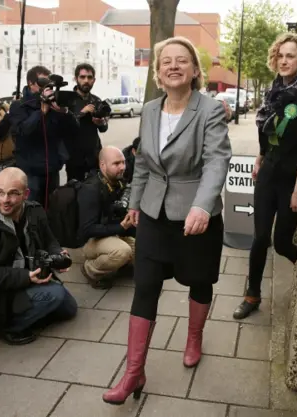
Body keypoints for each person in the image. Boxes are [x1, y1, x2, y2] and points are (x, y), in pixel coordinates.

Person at [102, 36, 231, 405]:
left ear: (194, 71)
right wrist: (136, 202)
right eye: (166, 62)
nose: (173, 66)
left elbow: (216, 161)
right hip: (155, 216)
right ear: (158, 73)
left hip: (196, 217)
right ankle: (133, 373)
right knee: (145, 287)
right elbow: (143, 162)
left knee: (199, 280)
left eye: (181, 60)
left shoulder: (209, 111)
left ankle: (193, 337)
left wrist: (204, 206)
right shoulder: (150, 110)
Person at [233, 33, 297, 320]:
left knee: (282, 242)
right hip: (268, 174)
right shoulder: (272, 93)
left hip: (291, 179)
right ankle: (252, 294)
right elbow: (266, 134)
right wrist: (260, 157)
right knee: (259, 238)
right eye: (280, 55)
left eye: (290, 55)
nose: (284, 60)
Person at [0, 167, 78, 345]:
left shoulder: (34, 211)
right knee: (55, 294)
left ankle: (26, 310)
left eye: (13, 194)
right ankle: (6, 327)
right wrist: (25, 277)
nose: (5, 200)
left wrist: (58, 255)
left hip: (27, 277)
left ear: (26, 194)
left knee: (69, 310)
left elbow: (50, 241)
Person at [9, 65, 77, 208]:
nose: (48, 87)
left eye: (49, 83)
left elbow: (73, 130)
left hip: (52, 169)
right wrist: (41, 112)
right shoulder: (18, 106)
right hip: (30, 172)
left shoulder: (54, 104)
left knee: (52, 209)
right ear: (31, 83)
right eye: (42, 82)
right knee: (30, 211)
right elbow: (23, 131)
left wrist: (64, 112)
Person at [77, 146, 136, 289]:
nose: (122, 167)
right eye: (116, 164)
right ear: (102, 165)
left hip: (111, 232)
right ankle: (90, 269)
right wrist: (121, 227)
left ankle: (119, 265)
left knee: (143, 250)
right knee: (123, 252)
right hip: (90, 240)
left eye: (123, 162)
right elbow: (87, 230)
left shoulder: (117, 181)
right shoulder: (91, 189)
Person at [66, 63, 108, 182]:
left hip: (94, 156)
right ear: (76, 79)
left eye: (89, 78)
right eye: (82, 77)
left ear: (94, 80)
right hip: (74, 157)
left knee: (94, 191)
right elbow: (63, 127)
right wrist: (81, 113)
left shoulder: (96, 100)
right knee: (74, 193)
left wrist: (101, 123)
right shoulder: (67, 100)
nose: (86, 81)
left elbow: (104, 129)